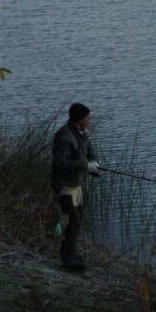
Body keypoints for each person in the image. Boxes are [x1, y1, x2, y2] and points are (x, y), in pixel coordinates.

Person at [51, 102, 100, 272]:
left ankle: (72, 253)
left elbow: (89, 151)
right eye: (87, 117)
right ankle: (67, 259)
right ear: (80, 119)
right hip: (64, 185)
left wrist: (94, 165)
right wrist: (85, 166)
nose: (89, 119)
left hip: (76, 184)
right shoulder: (63, 136)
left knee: (78, 220)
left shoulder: (81, 132)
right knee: (73, 220)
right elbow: (60, 163)